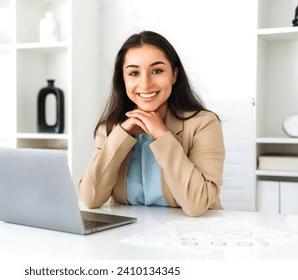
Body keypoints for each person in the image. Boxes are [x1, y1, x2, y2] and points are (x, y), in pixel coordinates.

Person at [78, 31, 225, 217]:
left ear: (174, 75)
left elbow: (197, 204)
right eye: (133, 73)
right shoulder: (109, 129)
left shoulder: (204, 124)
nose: (145, 84)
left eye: (157, 71)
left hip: (191, 236)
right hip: (129, 236)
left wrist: (163, 136)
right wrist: (121, 135)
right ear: (123, 80)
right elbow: (91, 198)